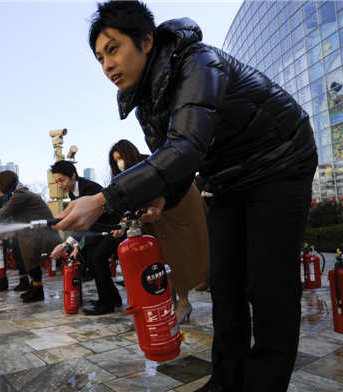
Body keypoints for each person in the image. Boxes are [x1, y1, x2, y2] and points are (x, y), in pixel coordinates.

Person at [55, 2, 318, 391]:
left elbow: (186, 147)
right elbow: (174, 164)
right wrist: (162, 197)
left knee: (268, 285)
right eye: (99, 58)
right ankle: (225, 382)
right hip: (229, 179)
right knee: (226, 284)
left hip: (280, 162)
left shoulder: (199, 63)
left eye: (113, 49)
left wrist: (104, 200)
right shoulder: (146, 100)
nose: (107, 65)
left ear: (146, 41)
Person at [109, 140, 209, 322]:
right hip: (159, 217)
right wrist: (122, 223)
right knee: (162, 259)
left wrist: (125, 221)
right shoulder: (127, 177)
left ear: (129, 153)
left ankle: (184, 303)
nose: (119, 163)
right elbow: (132, 203)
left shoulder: (149, 165)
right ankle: (171, 302)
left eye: (121, 157)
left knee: (177, 255)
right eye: (115, 160)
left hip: (179, 209)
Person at [0, 171, 60, 303]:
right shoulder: (17, 194)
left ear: (6, 182)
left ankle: (38, 290)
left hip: (41, 232)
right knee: (28, 257)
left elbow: (4, 212)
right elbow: (11, 218)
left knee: (31, 257)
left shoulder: (20, 194)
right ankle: (34, 286)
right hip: (32, 231)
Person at [49, 160, 123, 315]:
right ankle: (113, 298)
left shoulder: (90, 188)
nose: (60, 185)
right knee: (92, 260)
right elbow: (80, 223)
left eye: (62, 180)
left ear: (73, 176)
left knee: (97, 258)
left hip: (115, 227)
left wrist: (65, 245)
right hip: (99, 230)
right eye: (57, 182)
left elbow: (86, 222)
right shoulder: (72, 192)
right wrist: (75, 247)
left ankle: (106, 304)